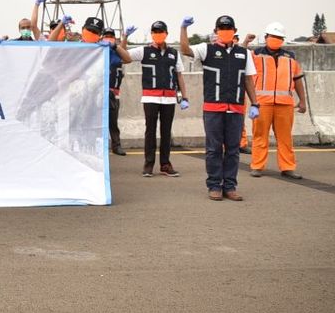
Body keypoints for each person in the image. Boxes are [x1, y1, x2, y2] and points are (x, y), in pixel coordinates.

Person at [180, 15, 259, 201]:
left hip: (236, 109)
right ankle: (214, 185)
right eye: (221, 28)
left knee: (233, 149)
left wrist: (255, 103)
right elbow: (185, 49)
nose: (225, 31)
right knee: (214, 149)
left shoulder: (243, 53)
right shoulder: (206, 49)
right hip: (213, 108)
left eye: (229, 28)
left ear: (234, 31)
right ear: (216, 31)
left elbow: (248, 79)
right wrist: (183, 29)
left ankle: (230, 186)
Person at [125, 21, 187, 177]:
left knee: (166, 132)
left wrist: (184, 97)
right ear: (152, 34)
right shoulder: (143, 51)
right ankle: (148, 164)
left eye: (160, 31)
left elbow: (179, 75)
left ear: (166, 33)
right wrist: (125, 37)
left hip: (169, 98)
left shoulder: (174, 53)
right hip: (150, 97)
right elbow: (124, 55)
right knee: (150, 131)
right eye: (155, 32)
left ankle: (165, 164)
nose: (157, 34)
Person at [249, 22, 307, 180]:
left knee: (285, 138)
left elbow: (298, 80)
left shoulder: (290, 57)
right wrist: (246, 42)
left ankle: (288, 167)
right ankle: (257, 166)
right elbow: (240, 57)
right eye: (273, 36)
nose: (276, 39)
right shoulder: (255, 54)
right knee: (260, 136)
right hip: (262, 103)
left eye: (279, 37)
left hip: (285, 104)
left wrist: (302, 101)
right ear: (266, 37)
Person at [83, 18, 132, 156]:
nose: (108, 39)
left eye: (111, 36)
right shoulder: (93, 49)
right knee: (91, 120)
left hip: (111, 92)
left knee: (112, 121)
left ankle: (116, 146)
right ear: (101, 37)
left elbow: (127, 58)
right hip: (93, 92)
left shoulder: (112, 52)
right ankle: (90, 146)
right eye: (106, 36)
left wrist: (116, 45)